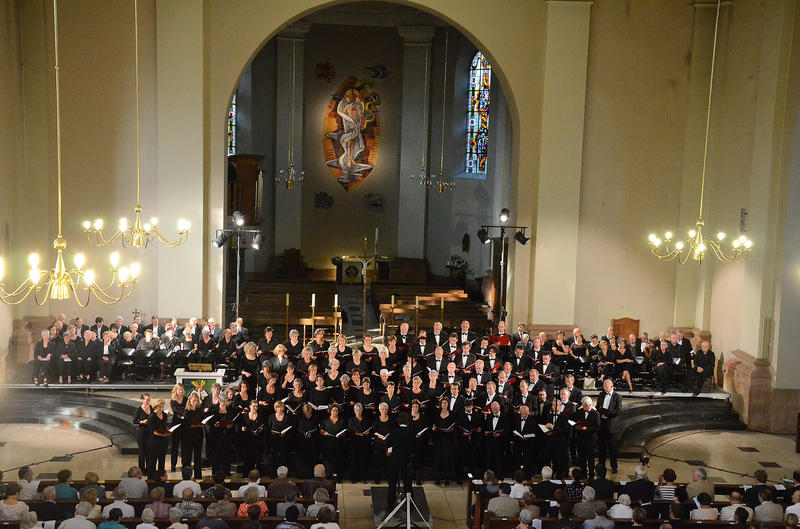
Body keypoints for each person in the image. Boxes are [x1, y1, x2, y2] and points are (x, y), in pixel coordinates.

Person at [385, 412, 414, 512]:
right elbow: (413, 447)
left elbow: (388, 444)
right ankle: (410, 505)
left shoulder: (393, 432)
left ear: (398, 421)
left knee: (392, 483)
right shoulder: (410, 432)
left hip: (394, 461)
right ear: (408, 421)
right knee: (407, 483)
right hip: (406, 461)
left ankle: (390, 506)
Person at [597, 379, 622, 473]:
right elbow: (598, 407)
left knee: (613, 448)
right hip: (602, 424)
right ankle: (601, 466)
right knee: (601, 447)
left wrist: (608, 413)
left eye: (606, 386)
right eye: (604, 386)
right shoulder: (601, 394)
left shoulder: (617, 396)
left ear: (611, 386)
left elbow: (619, 410)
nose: (604, 388)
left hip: (611, 426)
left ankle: (614, 467)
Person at [133, 394, 152, 475]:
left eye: (149, 399)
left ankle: (149, 469)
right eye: (146, 399)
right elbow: (134, 421)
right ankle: (141, 470)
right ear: (142, 400)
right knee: (142, 451)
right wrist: (142, 421)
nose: (148, 401)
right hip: (142, 432)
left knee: (149, 451)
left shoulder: (151, 408)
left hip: (150, 432)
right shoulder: (139, 410)